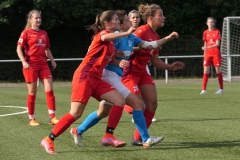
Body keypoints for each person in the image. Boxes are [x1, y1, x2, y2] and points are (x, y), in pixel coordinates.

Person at [40, 10, 158, 154]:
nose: (119, 22)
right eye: (115, 19)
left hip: (97, 78)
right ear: (107, 23)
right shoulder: (102, 34)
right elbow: (106, 37)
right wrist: (126, 34)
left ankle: (108, 135)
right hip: (84, 77)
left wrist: (118, 57)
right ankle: (49, 139)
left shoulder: (111, 42)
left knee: (119, 101)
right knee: (76, 113)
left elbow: (107, 55)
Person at [69, 9, 177, 149]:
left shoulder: (131, 38)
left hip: (115, 77)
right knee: (137, 104)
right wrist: (116, 60)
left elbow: (150, 45)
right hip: (107, 76)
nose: (131, 21)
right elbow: (103, 55)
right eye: (126, 20)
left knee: (103, 111)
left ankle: (78, 131)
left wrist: (168, 38)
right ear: (119, 25)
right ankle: (141, 138)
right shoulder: (116, 36)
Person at [121, 4, 185, 146]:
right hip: (129, 72)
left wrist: (170, 67)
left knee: (152, 105)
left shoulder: (156, 35)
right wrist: (147, 45)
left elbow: (155, 61)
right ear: (151, 18)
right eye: (160, 15)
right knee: (136, 106)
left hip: (142, 72)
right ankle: (120, 103)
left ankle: (137, 139)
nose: (164, 17)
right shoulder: (141, 31)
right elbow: (127, 48)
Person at [16, 10, 59, 126]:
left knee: (49, 89)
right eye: (36, 18)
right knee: (32, 92)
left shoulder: (44, 33)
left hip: (43, 64)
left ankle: (52, 117)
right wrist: (24, 61)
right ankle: (32, 119)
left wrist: (52, 60)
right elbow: (18, 48)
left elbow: (47, 49)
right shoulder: (26, 33)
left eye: (39, 18)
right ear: (30, 20)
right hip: (31, 65)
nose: (38, 20)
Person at [126, 9, 157, 123]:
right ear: (128, 19)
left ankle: (143, 113)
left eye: (137, 17)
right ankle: (135, 111)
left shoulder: (144, 30)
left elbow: (150, 45)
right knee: (131, 96)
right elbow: (126, 48)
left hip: (142, 66)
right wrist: (142, 48)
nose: (135, 19)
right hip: (129, 66)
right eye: (133, 17)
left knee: (145, 90)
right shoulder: (128, 32)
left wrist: (149, 53)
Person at [200, 17, 223, 95]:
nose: (210, 24)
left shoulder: (217, 32)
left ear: (214, 23)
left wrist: (208, 47)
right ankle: (203, 90)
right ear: (207, 23)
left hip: (216, 53)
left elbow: (217, 44)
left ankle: (221, 88)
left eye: (212, 22)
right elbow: (205, 43)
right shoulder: (205, 32)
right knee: (206, 71)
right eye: (209, 22)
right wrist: (205, 52)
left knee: (218, 71)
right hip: (208, 54)